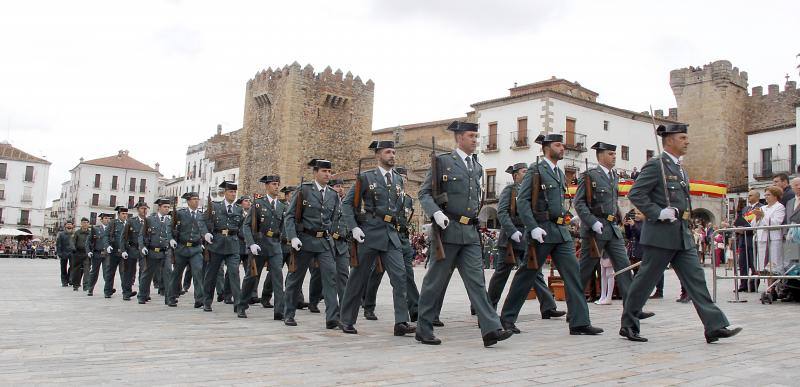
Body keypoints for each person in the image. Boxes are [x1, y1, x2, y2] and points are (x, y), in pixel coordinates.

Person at [620, 123, 741, 343]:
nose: (687, 141)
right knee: (645, 281)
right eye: (683, 137)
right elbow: (636, 194)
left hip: (681, 234)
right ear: (669, 140)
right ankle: (628, 324)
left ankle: (714, 326)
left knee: (696, 280)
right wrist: (658, 212)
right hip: (660, 235)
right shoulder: (656, 165)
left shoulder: (679, 168)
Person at [416, 121, 513, 347]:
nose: (475, 140)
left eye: (475, 136)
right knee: (435, 282)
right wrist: (436, 214)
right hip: (447, 231)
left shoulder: (476, 167)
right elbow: (424, 193)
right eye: (471, 136)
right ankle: (423, 328)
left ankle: (491, 329)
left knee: (477, 282)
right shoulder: (443, 163)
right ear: (459, 138)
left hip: (469, 232)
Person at [500, 133, 603, 336]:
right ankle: (507, 318)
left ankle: (579, 321)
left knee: (573, 274)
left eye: (562, 145)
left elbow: (558, 203)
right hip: (541, 231)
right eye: (558, 145)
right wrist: (532, 227)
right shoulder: (536, 170)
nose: (562, 148)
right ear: (547, 148)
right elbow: (522, 201)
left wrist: (570, 216)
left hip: (560, 232)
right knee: (526, 276)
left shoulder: (559, 173)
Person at [339, 141, 414, 337]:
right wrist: (354, 227)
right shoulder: (365, 177)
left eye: (394, 152)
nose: (392, 155)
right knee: (358, 278)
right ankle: (346, 319)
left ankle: (401, 321)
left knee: (400, 277)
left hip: (391, 234)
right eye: (388, 152)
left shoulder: (398, 179)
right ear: (378, 155)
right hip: (370, 233)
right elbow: (346, 205)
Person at [575, 142, 654, 316]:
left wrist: (620, 219)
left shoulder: (614, 176)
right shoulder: (589, 176)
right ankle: (574, 309)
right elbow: (579, 203)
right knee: (585, 271)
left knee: (624, 267)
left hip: (612, 228)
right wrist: (592, 222)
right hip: (596, 230)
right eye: (610, 154)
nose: (614, 157)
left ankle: (633, 308)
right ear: (601, 156)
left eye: (614, 154)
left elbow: (612, 202)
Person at [490, 162, 563, 319]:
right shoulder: (509, 190)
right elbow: (502, 213)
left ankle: (548, 306)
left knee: (535, 272)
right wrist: (512, 231)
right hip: (510, 238)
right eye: (524, 171)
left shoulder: (532, 190)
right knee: (501, 274)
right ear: (516, 175)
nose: (527, 173)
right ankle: (489, 306)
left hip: (527, 236)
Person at [283, 159, 341, 329]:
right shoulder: (304, 190)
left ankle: (332, 318)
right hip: (305, 241)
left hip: (324, 242)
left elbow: (335, 218)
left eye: (329, 172)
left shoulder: (332, 194)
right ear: (315, 173)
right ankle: (289, 313)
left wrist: (331, 233)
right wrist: (293, 237)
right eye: (324, 171)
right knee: (295, 278)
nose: (328, 175)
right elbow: (290, 216)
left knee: (330, 278)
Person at [361, 167, 421, 323]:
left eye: (405, 178)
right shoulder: (387, 196)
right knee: (377, 273)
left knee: (407, 275)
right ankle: (368, 306)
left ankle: (415, 309)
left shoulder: (408, 199)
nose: (403, 180)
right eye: (401, 177)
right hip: (386, 236)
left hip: (402, 239)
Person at [241, 175, 287, 320]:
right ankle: (241, 305)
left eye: (277, 184)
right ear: (267, 186)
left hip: (275, 246)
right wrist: (251, 243)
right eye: (273, 184)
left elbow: (283, 227)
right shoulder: (258, 204)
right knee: (252, 277)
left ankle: (279, 310)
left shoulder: (281, 206)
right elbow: (246, 226)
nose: (276, 187)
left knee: (278, 277)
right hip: (260, 244)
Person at [201, 181, 244, 313]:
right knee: (211, 274)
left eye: (234, 192)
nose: (233, 194)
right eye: (230, 192)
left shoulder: (238, 209)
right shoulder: (215, 206)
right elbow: (202, 220)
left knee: (234, 274)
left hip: (233, 244)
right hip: (217, 244)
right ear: (225, 193)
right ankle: (207, 301)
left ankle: (239, 305)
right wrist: (205, 233)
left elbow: (242, 227)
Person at [169, 192, 208, 309]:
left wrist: (203, 241)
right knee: (176, 274)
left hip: (196, 248)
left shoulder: (201, 215)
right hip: (182, 248)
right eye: (194, 199)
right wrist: (171, 239)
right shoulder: (180, 213)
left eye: (198, 199)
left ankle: (199, 299)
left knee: (198, 272)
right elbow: (170, 227)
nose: (196, 201)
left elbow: (205, 229)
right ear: (188, 201)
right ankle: (171, 297)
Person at [137, 198, 175, 306]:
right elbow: (141, 235)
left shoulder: (170, 221)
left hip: (166, 252)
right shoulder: (150, 219)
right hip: (153, 251)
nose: (167, 209)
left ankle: (169, 298)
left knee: (168, 274)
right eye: (165, 207)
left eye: (168, 207)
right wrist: (142, 246)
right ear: (159, 208)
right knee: (147, 274)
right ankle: (142, 296)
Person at [751, 186, 786, 273]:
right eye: (765, 195)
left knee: (773, 265)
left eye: (768, 195)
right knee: (763, 266)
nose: (766, 196)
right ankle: (768, 284)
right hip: (762, 238)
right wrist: (757, 217)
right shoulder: (762, 208)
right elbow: (753, 224)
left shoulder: (780, 207)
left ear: (775, 196)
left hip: (773, 239)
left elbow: (776, 223)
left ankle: (773, 285)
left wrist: (763, 216)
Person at [734, 189, 762, 292]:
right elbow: (739, 221)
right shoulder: (745, 208)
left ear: (757, 197)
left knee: (753, 263)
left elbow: (755, 223)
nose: (749, 197)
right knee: (742, 263)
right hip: (742, 239)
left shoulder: (761, 207)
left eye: (751, 195)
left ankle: (753, 285)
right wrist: (738, 228)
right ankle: (743, 285)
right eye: (748, 195)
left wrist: (744, 228)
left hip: (752, 238)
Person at [120, 202, 147, 301]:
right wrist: (123, 250)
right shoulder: (131, 221)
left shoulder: (149, 221)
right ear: (138, 210)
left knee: (144, 272)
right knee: (129, 272)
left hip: (144, 250)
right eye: (142, 208)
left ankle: (143, 292)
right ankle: (126, 292)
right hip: (132, 248)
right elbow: (123, 237)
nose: (144, 210)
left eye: (146, 208)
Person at [86, 213, 114, 297]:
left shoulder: (112, 229)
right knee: (94, 272)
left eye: (109, 218)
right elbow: (88, 241)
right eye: (105, 218)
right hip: (97, 253)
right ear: (101, 220)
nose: (108, 220)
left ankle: (108, 291)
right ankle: (90, 289)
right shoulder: (95, 229)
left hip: (107, 254)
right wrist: (88, 251)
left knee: (107, 273)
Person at [106, 206, 129, 299]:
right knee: (110, 272)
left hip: (125, 253)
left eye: (126, 214)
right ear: (118, 214)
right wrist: (107, 246)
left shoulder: (128, 223)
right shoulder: (113, 223)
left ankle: (126, 293)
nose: (125, 215)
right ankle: (107, 291)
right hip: (114, 252)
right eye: (123, 214)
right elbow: (106, 236)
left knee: (125, 273)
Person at [70, 218, 92, 291]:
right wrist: (73, 249)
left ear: (88, 224)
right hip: (78, 253)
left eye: (86, 222)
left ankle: (86, 286)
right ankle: (76, 285)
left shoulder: (91, 233)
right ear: (81, 223)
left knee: (87, 270)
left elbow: (93, 242)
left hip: (87, 253)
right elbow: (73, 242)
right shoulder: (77, 233)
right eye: (83, 222)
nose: (85, 224)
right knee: (76, 270)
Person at [55, 221, 76, 287]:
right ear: (65, 226)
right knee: (63, 268)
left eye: (70, 224)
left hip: (72, 253)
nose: (69, 226)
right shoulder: (61, 234)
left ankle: (70, 279)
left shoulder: (75, 234)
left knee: (73, 266)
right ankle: (64, 281)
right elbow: (58, 244)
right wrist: (59, 253)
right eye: (68, 224)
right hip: (63, 252)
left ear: (72, 226)